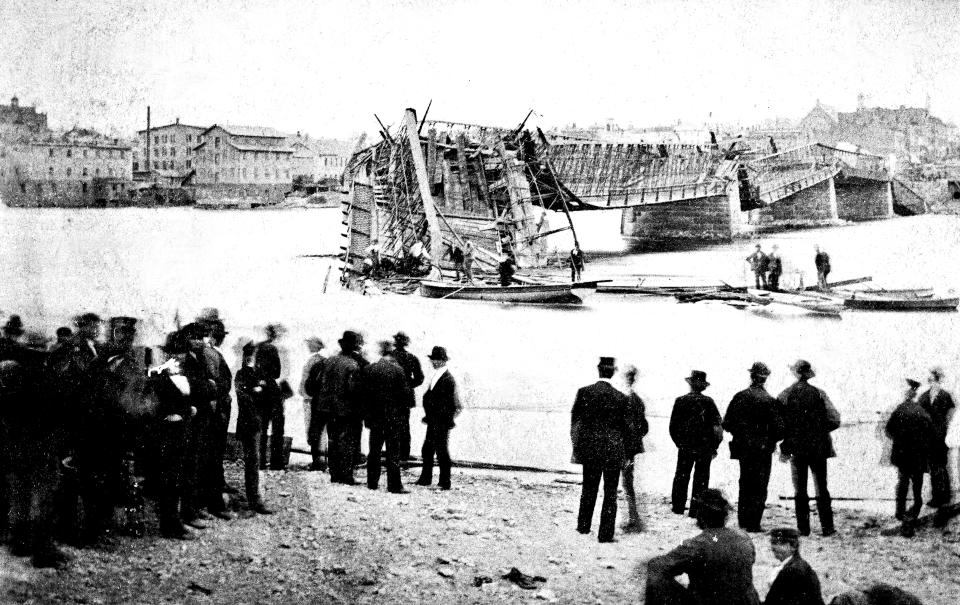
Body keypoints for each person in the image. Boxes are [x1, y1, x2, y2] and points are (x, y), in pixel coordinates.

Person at [2, 329, 70, 567]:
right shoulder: (49, 378)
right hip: (42, 448)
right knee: (44, 498)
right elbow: (59, 417)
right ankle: (43, 551)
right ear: (44, 353)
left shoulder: (10, 375)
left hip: (15, 447)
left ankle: (19, 542)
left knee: (19, 495)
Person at [645, 489, 760, 605]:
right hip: (747, 601)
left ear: (700, 515)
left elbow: (658, 566)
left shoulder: (697, 545)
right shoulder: (743, 537)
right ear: (724, 515)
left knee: (655, 571)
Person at [571, 356, 632, 543]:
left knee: (588, 489)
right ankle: (605, 534)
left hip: (590, 449)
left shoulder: (584, 392)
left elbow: (575, 425)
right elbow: (626, 429)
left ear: (598, 370)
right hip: (613, 450)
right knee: (611, 493)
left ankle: (583, 527)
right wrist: (627, 454)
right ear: (613, 372)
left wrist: (577, 449)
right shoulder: (621, 398)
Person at [148, 331, 201, 539]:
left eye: (182, 353)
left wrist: (188, 409)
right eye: (175, 353)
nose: (179, 357)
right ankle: (170, 525)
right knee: (169, 479)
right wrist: (168, 415)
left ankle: (174, 520)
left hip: (181, 431)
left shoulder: (181, 375)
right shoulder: (158, 375)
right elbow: (153, 405)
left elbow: (185, 398)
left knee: (177, 477)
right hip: (166, 433)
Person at [777, 360, 840, 537]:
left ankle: (803, 529)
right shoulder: (820, 393)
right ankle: (827, 527)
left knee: (800, 490)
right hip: (819, 447)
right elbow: (835, 420)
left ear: (795, 374)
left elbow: (779, 424)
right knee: (821, 487)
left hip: (796, 448)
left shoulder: (785, 394)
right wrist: (818, 430)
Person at [723, 362, 783, 532]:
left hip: (744, 448)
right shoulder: (771, 401)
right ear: (765, 379)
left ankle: (743, 521)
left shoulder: (740, 396)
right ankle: (754, 523)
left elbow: (727, 423)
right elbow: (780, 430)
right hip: (764, 449)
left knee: (745, 482)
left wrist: (741, 434)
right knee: (760, 485)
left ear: (751, 376)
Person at [669, 370, 723, 518]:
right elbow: (718, 428)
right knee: (701, 479)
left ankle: (678, 507)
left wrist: (679, 443)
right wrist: (714, 446)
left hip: (685, 446)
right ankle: (695, 510)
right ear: (703, 386)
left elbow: (673, 426)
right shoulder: (709, 402)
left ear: (691, 384)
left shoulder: (680, 401)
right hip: (704, 448)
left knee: (681, 476)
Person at [358, 341, 409, 493]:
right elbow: (405, 397)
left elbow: (363, 397)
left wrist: (367, 416)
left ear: (381, 352)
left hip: (374, 419)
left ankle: (372, 482)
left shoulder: (369, 369)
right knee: (393, 452)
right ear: (391, 353)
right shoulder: (398, 370)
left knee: (374, 450)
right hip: (393, 419)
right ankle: (394, 485)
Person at [199, 318, 235, 517]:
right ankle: (213, 503)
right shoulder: (210, 353)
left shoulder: (208, 352)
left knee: (210, 456)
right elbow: (216, 384)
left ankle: (210, 497)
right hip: (215, 411)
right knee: (211, 455)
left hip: (215, 410)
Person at [885, 379, 934, 522]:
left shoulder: (899, 409)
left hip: (902, 454)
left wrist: (900, 440)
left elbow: (889, 430)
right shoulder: (922, 411)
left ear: (907, 394)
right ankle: (916, 508)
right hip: (918, 454)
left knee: (902, 482)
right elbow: (930, 432)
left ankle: (900, 512)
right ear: (915, 395)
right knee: (917, 483)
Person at [234, 341, 274, 514]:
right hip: (249, 424)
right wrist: (258, 390)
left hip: (257, 423)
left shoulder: (257, 373)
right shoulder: (242, 374)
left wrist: (259, 390)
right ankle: (254, 500)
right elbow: (245, 398)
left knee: (255, 461)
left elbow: (271, 394)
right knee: (253, 462)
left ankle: (255, 497)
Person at [319, 331, 362, 484]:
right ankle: (346, 475)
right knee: (346, 442)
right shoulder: (352, 365)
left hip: (327, 408)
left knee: (333, 440)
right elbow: (353, 390)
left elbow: (319, 382)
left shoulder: (329, 361)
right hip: (345, 410)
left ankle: (334, 474)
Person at [415, 346, 461, 490]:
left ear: (442, 361)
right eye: (432, 359)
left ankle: (444, 482)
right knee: (428, 449)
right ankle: (425, 478)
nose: (433, 362)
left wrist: (444, 420)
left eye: (436, 359)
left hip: (440, 422)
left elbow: (451, 405)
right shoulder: (438, 375)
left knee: (441, 451)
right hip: (434, 420)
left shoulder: (447, 379)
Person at [255, 324, 289, 471]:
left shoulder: (257, 348)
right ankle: (276, 463)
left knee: (261, 428)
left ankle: (260, 461)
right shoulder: (275, 349)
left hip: (259, 392)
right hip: (273, 391)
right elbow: (277, 372)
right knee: (277, 429)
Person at [917, 368, 954, 507]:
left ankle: (944, 496)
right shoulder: (924, 396)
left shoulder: (945, 396)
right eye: (930, 381)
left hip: (941, 436)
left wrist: (946, 432)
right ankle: (937, 497)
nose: (931, 383)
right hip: (928, 437)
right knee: (934, 467)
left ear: (938, 380)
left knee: (941, 467)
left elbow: (949, 416)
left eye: (933, 380)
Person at [764, 527, 825, 605]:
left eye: (779, 543)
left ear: (793, 547)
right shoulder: (799, 564)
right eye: (772, 542)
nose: (773, 547)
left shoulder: (791, 570)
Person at [621, 365, 649, 533]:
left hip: (619, 445)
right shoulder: (637, 400)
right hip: (630, 447)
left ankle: (632, 518)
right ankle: (633, 517)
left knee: (623, 482)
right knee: (628, 481)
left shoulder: (620, 398)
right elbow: (644, 427)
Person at [391, 331, 424, 462]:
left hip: (390, 397)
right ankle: (404, 456)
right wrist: (407, 386)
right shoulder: (412, 358)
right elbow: (419, 378)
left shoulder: (389, 357)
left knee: (391, 426)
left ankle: (393, 454)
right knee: (404, 427)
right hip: (404, 398)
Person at [300, 337, 328, 471]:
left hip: (311, 399)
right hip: (310, 398)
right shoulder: (317, 359)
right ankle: (319, 459)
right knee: (315, 431)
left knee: (315, 430)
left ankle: (319, 460)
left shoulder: (316, 360)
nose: (309, 345)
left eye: (311, 343)